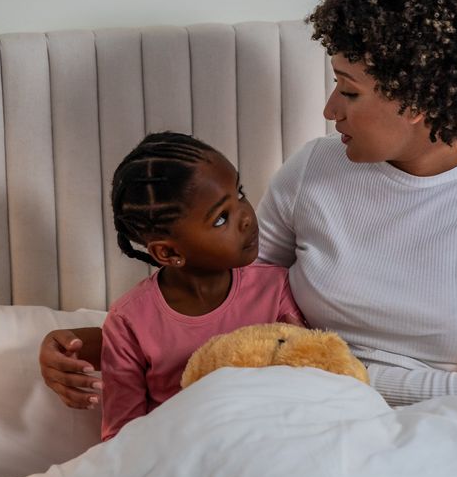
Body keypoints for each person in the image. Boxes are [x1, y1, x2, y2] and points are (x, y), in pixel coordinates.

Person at [40, 0, 457, 412]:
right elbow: (224, 295)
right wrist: (89, 343)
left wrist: (343, 377)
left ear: (414, 99)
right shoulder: (315, 170)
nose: (329, 109)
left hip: (439, 425)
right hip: (292, 414)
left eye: (349, 90)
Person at [89, 131, 305, 440]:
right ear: (169, 252)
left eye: (239, 193)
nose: (245, 216)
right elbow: (122, 437)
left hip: (266, 445)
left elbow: (309, 379)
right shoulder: (128, 321)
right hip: (181, 459)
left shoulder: (275, 288)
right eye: (220, 218)